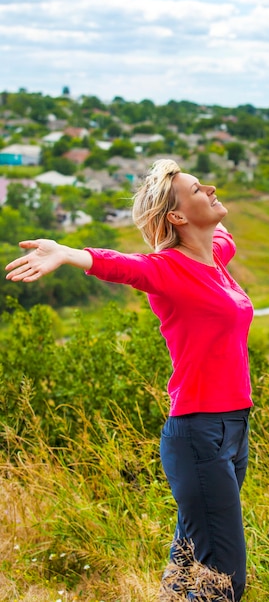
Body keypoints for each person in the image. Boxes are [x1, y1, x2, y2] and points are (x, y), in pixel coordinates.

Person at [5, 158, 254, 602]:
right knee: (224, 577)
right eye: (198, 189)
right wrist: (67, 253)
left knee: (188, 560)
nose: (212, 189)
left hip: (234, 427)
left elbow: (219, 231)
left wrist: (201, 203)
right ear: (176, 216)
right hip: (199, 434)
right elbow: (123, 265)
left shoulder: (217, 253)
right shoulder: (168, 270)